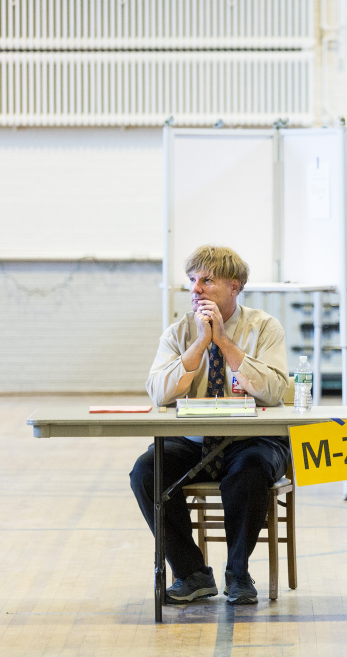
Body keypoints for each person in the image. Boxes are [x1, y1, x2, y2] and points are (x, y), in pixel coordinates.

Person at [130, 245, 290, 605]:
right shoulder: (179, 332)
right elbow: (158, 392)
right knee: (146, 471)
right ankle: (192, 574)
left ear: (234, 287)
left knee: (250, 471)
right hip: (194, 439)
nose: (196, 289)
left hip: (252, 438)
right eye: (192, 281)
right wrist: (201, 344)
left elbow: (275, 391)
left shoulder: (264, 327)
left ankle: (239, 573)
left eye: (207, 280)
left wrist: (224, 342)